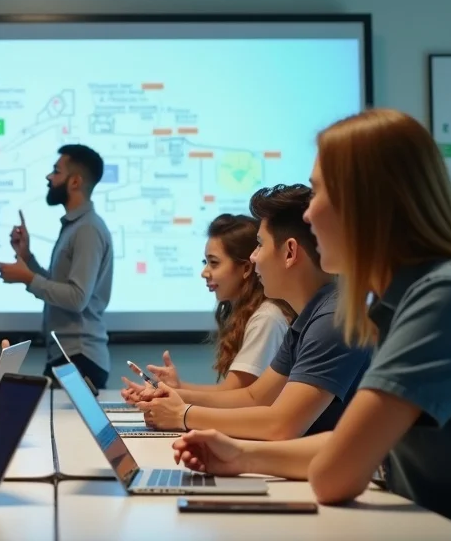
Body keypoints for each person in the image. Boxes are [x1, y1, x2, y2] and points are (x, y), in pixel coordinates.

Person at [172, 109, 451, 541]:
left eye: (317, 193)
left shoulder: (448, 298)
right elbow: (359, 448)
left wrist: (231, 443)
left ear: (364, 202)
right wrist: (240, 457)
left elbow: (337, 474)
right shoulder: (404, 301)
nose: (309, 215)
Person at [131, 184, 372, 441]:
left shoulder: (333, 319)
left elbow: (281, 424)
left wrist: (183, 414)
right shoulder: (311, 316)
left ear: (290, 252)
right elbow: (254, 397)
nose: (254, 257)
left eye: (259, 245)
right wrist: (172, 398)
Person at [121, 214, 296, 396]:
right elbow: (228, 395)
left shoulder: (267, 318)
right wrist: (174, 388)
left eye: (214, 263)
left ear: (246, 268)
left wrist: (170, 394)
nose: (205, 272)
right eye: (206, 262)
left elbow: (233, 395)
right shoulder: (253, 314)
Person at [0, 144, 114, 389]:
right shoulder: (75, 226)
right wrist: (27, 258)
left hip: (80, 357)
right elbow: (61, 288)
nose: (49, 177)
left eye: (56, 171)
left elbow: (77, 298)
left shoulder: (87, 229)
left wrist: (28, 278)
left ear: (75, 181)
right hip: (68, 356)